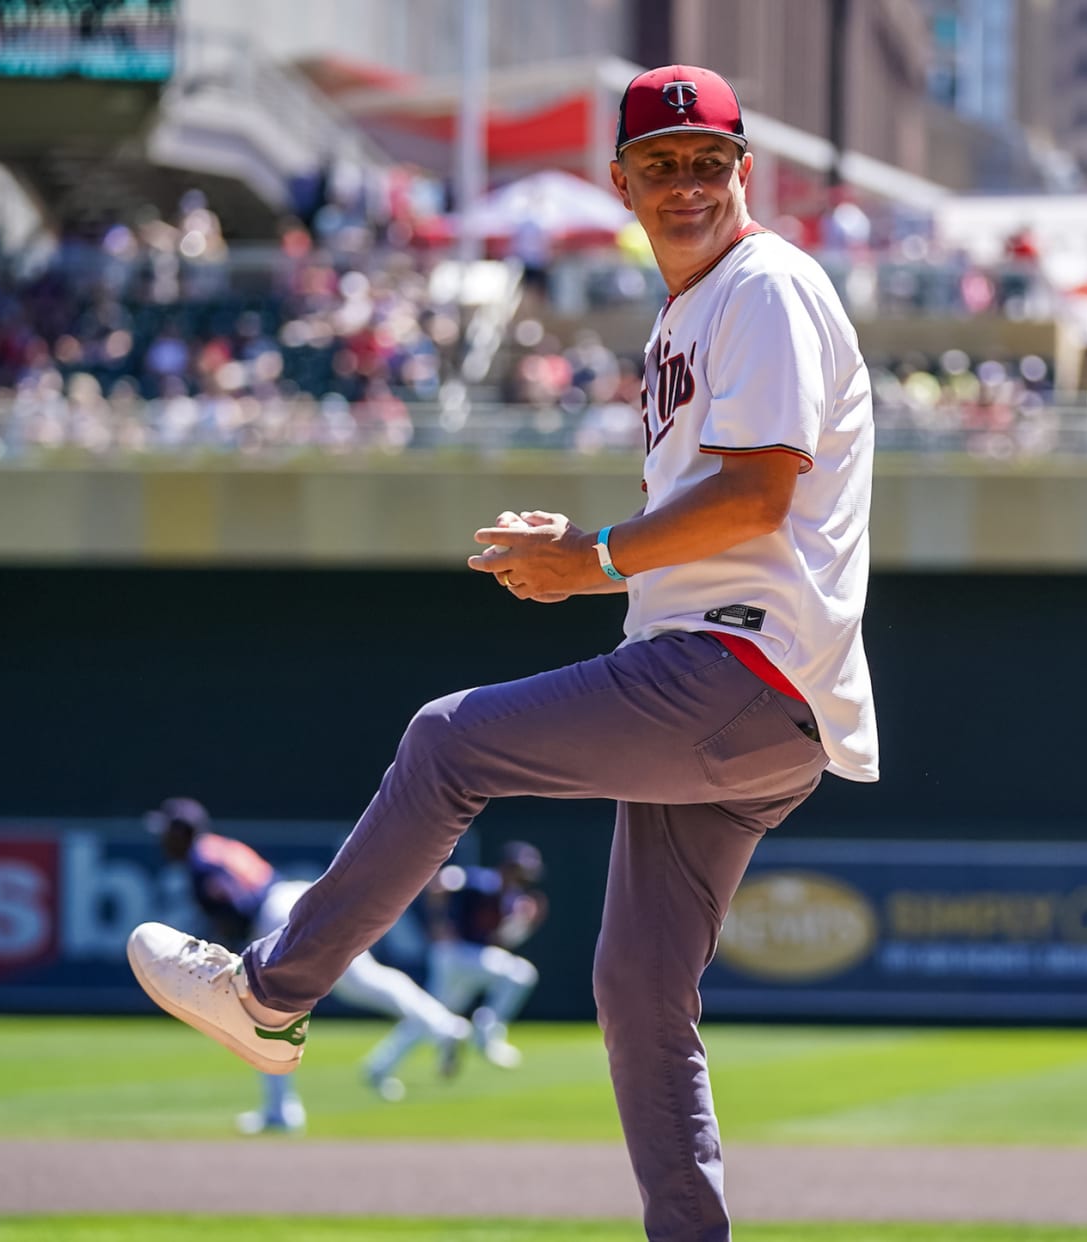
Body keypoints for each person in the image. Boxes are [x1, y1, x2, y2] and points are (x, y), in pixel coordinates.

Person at [126, 62, 879, 1242]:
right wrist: (597, 558)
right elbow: (716, 520)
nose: (687, 182)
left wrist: (595, 558)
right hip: (748, 697)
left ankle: (272, 997)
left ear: (746, 173)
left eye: (709, 161)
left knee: (447, 743)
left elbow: (756, 499)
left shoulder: (765, 285)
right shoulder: (688, 312)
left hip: (740, 673)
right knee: (636, 994)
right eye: (661, 164)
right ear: (622, 181)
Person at [141, 797, 473, 1134]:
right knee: (364, 981)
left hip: (274, 916)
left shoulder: (200, 862)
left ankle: (280, 1111)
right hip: (291, 901)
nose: (162, 839)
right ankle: (444, 1025)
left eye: (166, 831)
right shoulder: (216, 847)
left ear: (182, 832)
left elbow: (235, 909)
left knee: (260, 1010)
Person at [363, 840, 548, 1079]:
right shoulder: (483, 881)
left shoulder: (514, 900)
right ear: (508, 866)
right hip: (456, 954)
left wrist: (523, 924)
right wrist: (439, 925)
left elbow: (498, 941)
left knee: (430, 1016)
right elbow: (441, 883)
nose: (525, 875)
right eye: (521, 869)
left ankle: (379, 1068)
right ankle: (486, 1030)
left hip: (471, 960)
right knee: (520, 975)